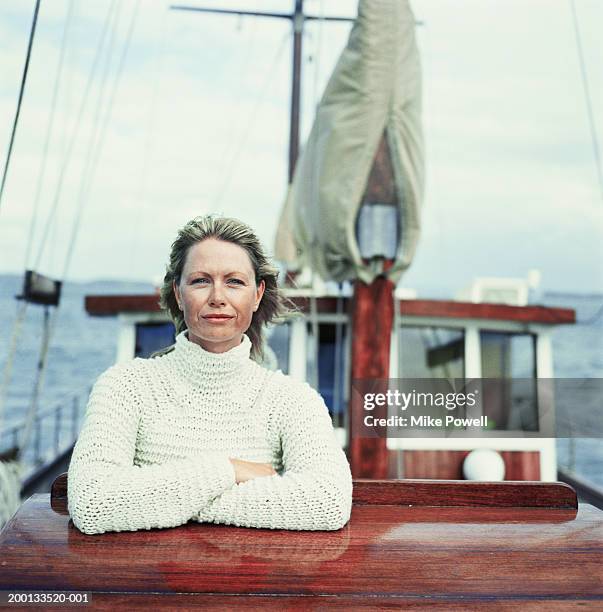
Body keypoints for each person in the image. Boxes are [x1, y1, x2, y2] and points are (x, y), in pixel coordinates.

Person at [67, 215, 353, 535]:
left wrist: (162, 502)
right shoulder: (125, 387)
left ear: (257, 294)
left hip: (252, 581)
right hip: (146, 582)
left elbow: (327, 502)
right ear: (178, 292)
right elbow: (92, 503)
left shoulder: (293, 400)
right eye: (201, 280)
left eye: (234, 282)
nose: (217, 296)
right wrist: (230, 470)